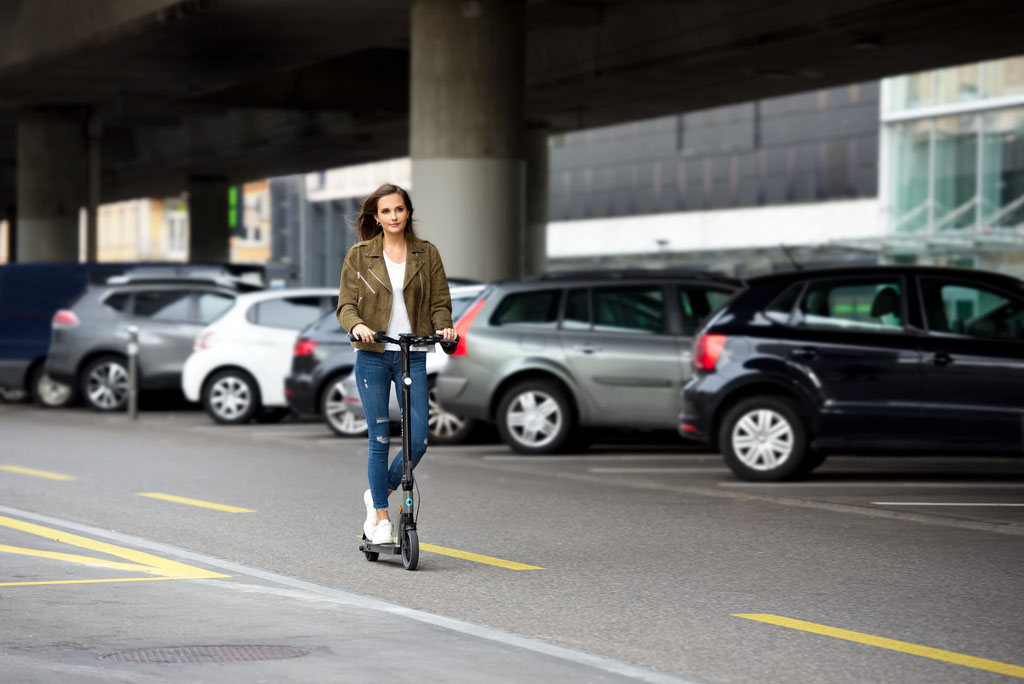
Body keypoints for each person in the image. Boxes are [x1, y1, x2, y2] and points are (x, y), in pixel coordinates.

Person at [336, 183, 456, 545]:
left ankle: (377, 494)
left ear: (408, 213)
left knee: (418, 439)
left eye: (399, 210)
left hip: (413, 353)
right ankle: (381, 518)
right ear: (376, 216)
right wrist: (357, 325)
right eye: (386, 211)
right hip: (373, 355)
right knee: (380, 438)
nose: (393, 216)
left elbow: (439, 301)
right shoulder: (360, 255)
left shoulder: (427, 253)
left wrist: (444, 327)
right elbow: (345, 305)